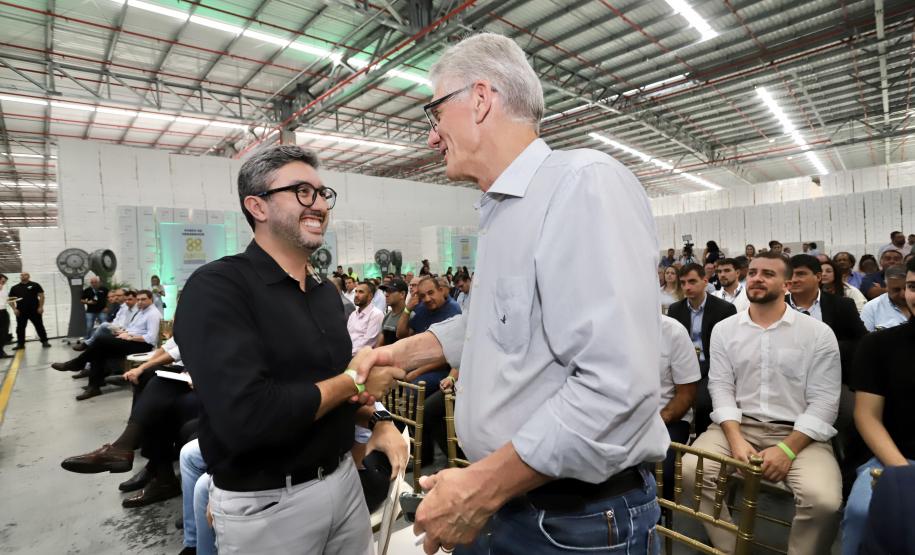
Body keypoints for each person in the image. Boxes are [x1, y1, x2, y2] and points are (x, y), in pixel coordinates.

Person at [353, 33, 667, 554]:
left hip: (572, 522)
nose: (433, 138)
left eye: (435, 113)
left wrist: (481, 487)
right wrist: (404, 353)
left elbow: (616, 385)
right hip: (517, 504)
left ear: (480, 99)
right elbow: (504, 323)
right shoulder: (504, 209)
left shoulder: (582, 185)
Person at [174, 145, 405, 554]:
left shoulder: (326, 297)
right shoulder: (218, 289)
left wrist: (381, 417)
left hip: (343, 483)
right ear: (257, 206)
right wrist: (354, 379)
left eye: (321, 193)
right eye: (301, 191)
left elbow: (336, 391)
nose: (318, 204)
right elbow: (250, 415)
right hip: (268, 507)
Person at [682, 252, 843, 554]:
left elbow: (824, 401)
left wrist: (786, 450)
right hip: (737, 426)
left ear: (787, 284)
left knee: (823, 501)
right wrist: (736, 440)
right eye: (753, 272)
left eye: (768, 274)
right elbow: (721, 388)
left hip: (799, 434)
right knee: (692, 469)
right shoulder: (725, 330)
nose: (757, 278)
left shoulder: (817, 334)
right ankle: (730, 546)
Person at [842, 257, 915, 555]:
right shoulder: (879, 345)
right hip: (891, 456)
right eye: (912, 286)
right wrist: (902, 474)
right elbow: (867, 416)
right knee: (861, 511)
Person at [52, 290, 161, 400]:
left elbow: (151, 338)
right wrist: (124, 333)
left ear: (151, 299)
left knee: (100, 340)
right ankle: (93, 386)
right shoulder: (141, 312)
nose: (140, 302)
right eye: (138, 300)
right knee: (98, 351)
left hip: (141, 345)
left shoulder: (153, 314)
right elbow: (133, 329)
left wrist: (130, 337)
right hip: (129, 340)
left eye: (143, 299)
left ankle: (77, 364)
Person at [667, 263, 737, 435]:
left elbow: (729, 348)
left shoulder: (724, 309)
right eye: (683, 283)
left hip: (711, 365)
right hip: (682, 365)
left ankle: (701, 442)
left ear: (705, 281)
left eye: (692, 282)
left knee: (704, 402)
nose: (687, 287)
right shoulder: (675, 309)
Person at [787, 254, 866, 383]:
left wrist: (825, 347)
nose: (793, 280)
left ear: (818, 277)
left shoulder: (842, 305)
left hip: (833, 377)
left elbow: (861, 341)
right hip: (788, 380)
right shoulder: (777, 306)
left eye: (800, 274)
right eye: (789, 275)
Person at [657, 315, 700, 499]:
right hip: (623, 418)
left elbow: (686, 394)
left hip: (668, 418)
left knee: (661, 472)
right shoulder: (608, 329)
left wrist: (660, 418)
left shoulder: (672, 331)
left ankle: (654, 523)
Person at [396, 276, 461, 395]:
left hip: (442, 369)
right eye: (422, 296)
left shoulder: (453, 310)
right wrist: (407, 309)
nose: (427, 299)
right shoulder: (423, 308)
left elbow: (448, 356)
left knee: (413, 390)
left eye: (431, 293)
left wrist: (418, 371)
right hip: (418, 362)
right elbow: (401, 334)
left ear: (441, 290)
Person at [860, 265, 910, 331]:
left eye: (907, 288)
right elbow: (865, 339)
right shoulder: (872, 308)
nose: (903, 294)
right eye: (896, 290)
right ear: (886, 285)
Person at [9, 272, 50, 348]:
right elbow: (11, 300)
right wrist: (14, 309)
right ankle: (20, 344)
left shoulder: (35, 285)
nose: (23, 276)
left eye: (25, 275)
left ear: (29, 276)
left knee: (39, 326)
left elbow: (42, 296)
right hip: (21, 311)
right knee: (20, 328)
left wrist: (40, 307)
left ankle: (45, 341)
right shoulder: (14, 287)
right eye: (21, 275)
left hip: (34, 310)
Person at [347, 281, 384, 355]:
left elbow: (367, 343)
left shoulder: (376, 314)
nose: (356, 295)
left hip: (360, 357)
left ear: (370, 296)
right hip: (347, 353)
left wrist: (347, 353)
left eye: (361, 292)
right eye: (356, 291)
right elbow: (347, 336)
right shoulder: (353, 314)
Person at [376, 279, 407, 347]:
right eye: (386, 291)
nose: (386, 295)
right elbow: (380, 344)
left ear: (402, 294)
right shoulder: (387, 316)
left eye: (390, 291)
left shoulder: (410, 316)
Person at [0, 274, 11, 358]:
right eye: (3, 281)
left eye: (5, 282)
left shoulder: (3, 289)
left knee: (4, 333)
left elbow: (6, 300)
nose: (3, 283)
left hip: (3, 312)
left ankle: (1, 351)